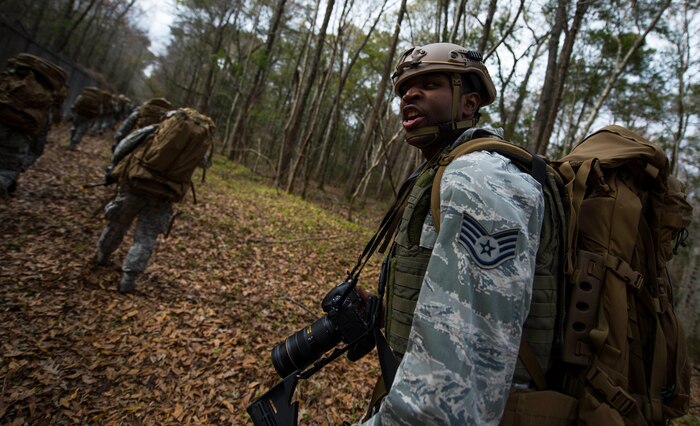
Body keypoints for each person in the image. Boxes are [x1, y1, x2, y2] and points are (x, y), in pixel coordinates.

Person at [354, 43, 544, 424]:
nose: (410, 93)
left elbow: (449, 398)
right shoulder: (443, 169)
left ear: (468, 104)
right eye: (406, 88)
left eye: (431, 83)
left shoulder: (479, 179)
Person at [95, 107, 214, 294]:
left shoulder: (155, 129)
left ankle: (102, 256)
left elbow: (124, 145)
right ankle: (128, 279)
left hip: (136, 184)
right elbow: (205, 163)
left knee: (118, 224)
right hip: (164, 195)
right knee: (146, 237)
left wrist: (113, 168)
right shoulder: (196, 148)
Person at [0, 53, 67, 197]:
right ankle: (5, 181)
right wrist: (21, 168)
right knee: (6, 170)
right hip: (20, 136)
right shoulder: (46, 98)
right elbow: (39, 142)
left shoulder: (9, 82)